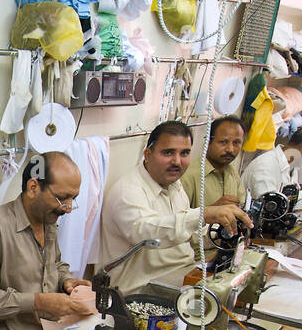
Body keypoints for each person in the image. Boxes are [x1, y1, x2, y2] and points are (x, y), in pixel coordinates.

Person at [0, 151, 94, 330]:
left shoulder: (48, 221)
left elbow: (55, 265)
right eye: (62, 198)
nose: (68, 208)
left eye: (73, 199)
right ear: (33, 188)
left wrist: (67, 281)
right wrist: (37, 302)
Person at [99, 121, 252, 296]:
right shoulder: (127, 191)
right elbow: (147, 233)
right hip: (140, 290)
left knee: (239, 284)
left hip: (181, 276)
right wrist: (204, 214)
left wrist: (225, 233)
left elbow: (191, 235)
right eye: (168, 152)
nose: (177, 161)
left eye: (184, 153)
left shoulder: (174, 185)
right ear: (148, 154)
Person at [179, 116, 246, 209]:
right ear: (208, 141)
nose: (230, 149)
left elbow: (242, 206)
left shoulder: (232, 173)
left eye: (236, 143)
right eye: (223, 142)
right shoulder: (188, 175)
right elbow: (178, 219)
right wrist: (212, 211)